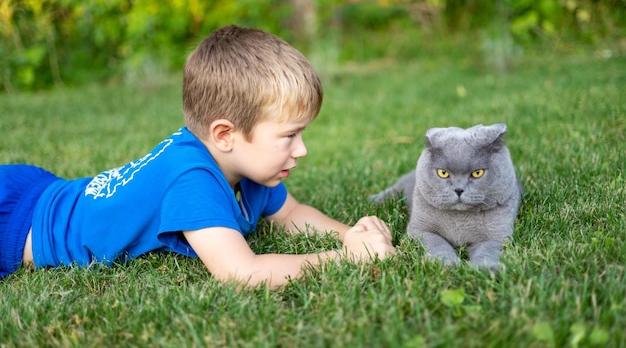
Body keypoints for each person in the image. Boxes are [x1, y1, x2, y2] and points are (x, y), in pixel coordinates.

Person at [0, 25, 396, 289]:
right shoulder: (191, 179)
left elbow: (290, 215)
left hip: (41, 187)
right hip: (17, 226)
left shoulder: (250, 167)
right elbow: (241, 273)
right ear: (225, 135)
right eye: (289, 135)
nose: (302, 149)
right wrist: (343, 258)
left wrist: (352, 235)